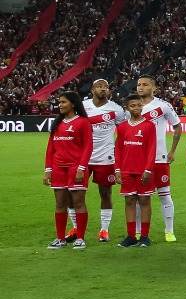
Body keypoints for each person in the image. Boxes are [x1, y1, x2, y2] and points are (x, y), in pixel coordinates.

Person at [136, 76, 182, 243]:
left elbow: (177, 126)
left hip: (159, 158)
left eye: (145, 84)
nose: (141, 87)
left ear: (154, 88)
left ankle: (169, 231)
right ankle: (138, 232)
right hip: (138, 160)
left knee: (164, 195)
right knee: (139, 198)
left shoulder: (163, 106)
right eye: (138, 84)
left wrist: (172, 151)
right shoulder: (132, 107)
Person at [44, 90, 92, 249]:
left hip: (75, 168)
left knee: (78, 203)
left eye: (63, 102)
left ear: (73, 104)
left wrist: (81, 168)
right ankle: (60, 238)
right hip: (58, 168)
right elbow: (51, 148)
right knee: (60, 204)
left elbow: (88, 147)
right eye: (59, 102)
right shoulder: (57, 123)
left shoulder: (83, 122)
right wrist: (48, 169)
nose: (60, 105)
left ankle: (80, 238)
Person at [82, 78, 127, 243]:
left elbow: (123, 132)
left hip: (106, 157)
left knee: (105, 193)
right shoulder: (82, 106)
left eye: (105, 87)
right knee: (76, 193)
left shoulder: (116, 109)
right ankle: (76, 228)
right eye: (99, 86)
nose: (103, 89)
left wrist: (118, 151)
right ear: (92, 90)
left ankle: (104, 230)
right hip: (83, 157)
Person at [113, 93, 157, 248]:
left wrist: (148, 169)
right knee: (129, 201)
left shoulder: (149, 125)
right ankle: (131, 236)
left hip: (143, 170)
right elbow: (118, 149)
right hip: (126, 170)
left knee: (144, 201)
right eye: (133, 106)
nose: (136, 108)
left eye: (139, 105)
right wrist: (117, 169)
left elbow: (152, 149)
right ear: (127, 108)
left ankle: (144, 236)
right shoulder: (122, 127)